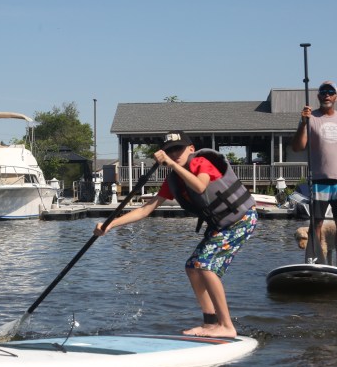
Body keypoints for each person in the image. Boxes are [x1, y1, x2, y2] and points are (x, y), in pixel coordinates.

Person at [94, 131, 258, 338]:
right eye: (169, 151)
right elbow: (145, 209)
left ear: (190, 149)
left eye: (178, 149)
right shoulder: (173, 181)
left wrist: (172, 165)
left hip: (241, 219)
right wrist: (110, 225)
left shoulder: (200, 162)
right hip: (221, 225)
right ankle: (210, 324)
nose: (174, 153)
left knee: (205, 266)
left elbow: (200, 186)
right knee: (192, 267)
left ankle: (226, 326)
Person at [292, 80, 337, 270]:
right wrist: (302, 123)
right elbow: (298, 147)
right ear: (318, 96)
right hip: (319, 181)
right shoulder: (310, 118)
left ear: (336, 97)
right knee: (317, 223)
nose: (327, 95)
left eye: (331, 92)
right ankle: (316, 262)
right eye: (323, 92)